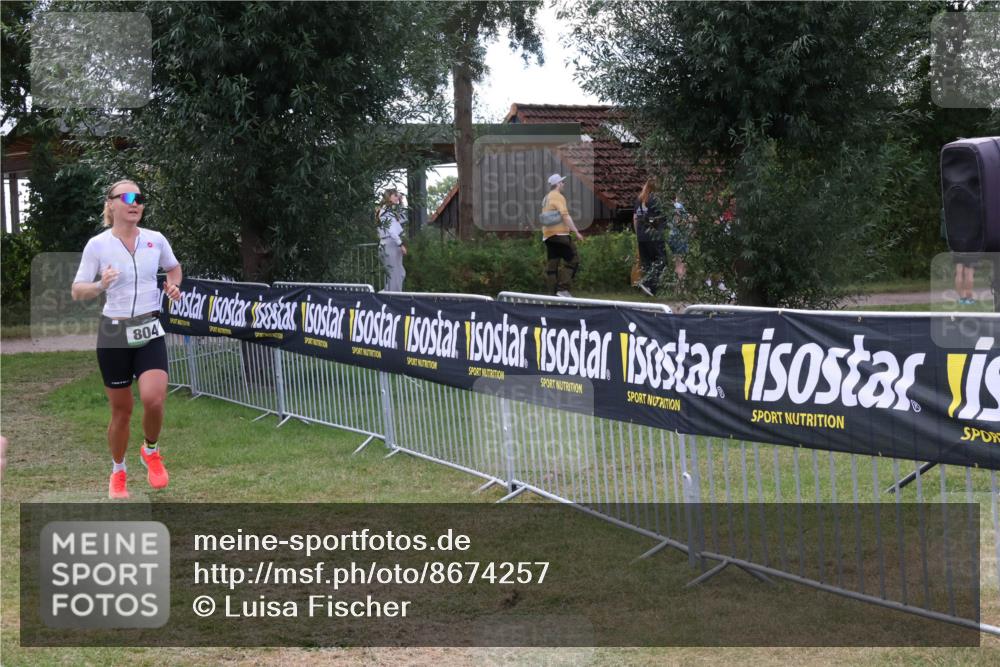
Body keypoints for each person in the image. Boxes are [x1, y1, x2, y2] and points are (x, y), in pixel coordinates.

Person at [72, 179, 182, 499]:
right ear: (111, 204)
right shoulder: (98, 245)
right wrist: (100, 285)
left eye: (140, 198)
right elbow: (78, 290)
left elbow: (173, 269)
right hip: (114, 332)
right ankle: (118, 471)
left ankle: (151, 450)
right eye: (128, 197)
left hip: (149, 328)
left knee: (154, 399)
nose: (136, 203)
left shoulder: (155, 240)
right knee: (122, 411)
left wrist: (174, 285)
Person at [540, 174, 584, 297]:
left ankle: (553, 294)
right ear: (558, 184)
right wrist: (576, 231)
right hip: (560, 234)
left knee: (552, 266)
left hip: (548, 236)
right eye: (562, 182)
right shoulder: (558, 196)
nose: (563, 184)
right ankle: (563, 289)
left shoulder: (546, 197)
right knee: (573, 260)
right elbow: (565, 216)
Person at [633, 178, 669, 296]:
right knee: (662, 260)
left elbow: (635, 218)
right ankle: (649, 284)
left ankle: (649, 287)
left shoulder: (639, 200)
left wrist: (638, 234)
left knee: (647, 262)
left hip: (641, 236)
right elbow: (663, 217)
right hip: (654, 235)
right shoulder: (656, 200)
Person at [377, 189, 407, 292]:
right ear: (388, 197)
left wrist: (401, 202)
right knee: (395, 276)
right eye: (395, 196)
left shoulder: (391, 211)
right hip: (389, 243)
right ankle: (393, 298)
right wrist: (400, 244)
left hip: (392, 243)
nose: (397, 197)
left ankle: (387, 295)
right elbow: (391, 231)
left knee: (399, 274)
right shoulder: (385, 212)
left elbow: (403, 218)